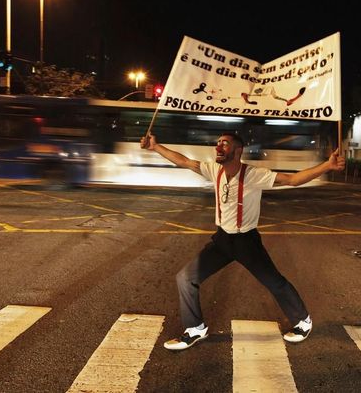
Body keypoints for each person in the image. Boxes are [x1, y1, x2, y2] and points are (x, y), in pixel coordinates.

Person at [140, 131, 345, 351]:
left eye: (225, 144)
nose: (218, 147)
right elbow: (184, 161)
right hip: (222, 241)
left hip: (246, 241)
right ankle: (195, 328)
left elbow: (293, 180)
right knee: (185, 278)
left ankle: (302, 321)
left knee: (274, 282)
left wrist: (327, 166)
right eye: (217, 143)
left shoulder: (254, 174)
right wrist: (155, 147)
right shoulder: (214, 169)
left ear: (238, 151)